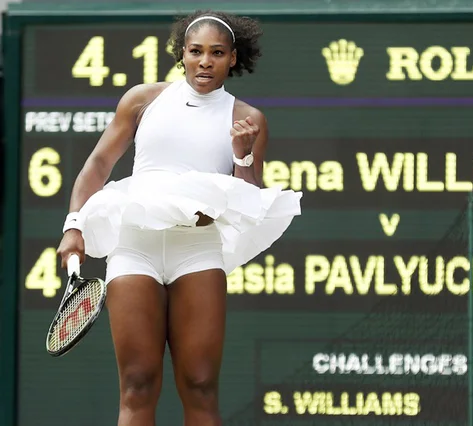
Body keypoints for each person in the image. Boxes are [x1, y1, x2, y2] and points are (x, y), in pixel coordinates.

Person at [56, 10, 302, 426]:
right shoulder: (142, 100)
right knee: (137, 382)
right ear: (182, 55)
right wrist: (74, 225)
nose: (205, 61)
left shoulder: (248, 118)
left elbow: (249, 199)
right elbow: (98, 164)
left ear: (233, 58)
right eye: (196, 51)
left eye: (217, 53)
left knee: (201, 385)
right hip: (135, 247)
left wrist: (242, 152)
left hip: (197, 251)